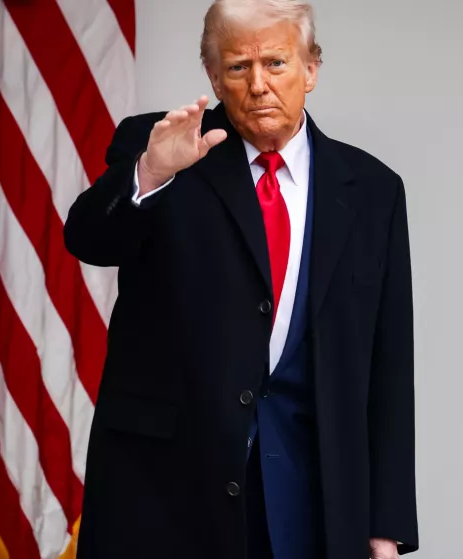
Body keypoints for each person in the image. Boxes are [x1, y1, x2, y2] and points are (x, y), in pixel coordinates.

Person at [63, 1, 418, 557]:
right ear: (213, 77)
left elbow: (389, 366)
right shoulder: (161, 146)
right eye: (237, 67)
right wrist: (151, 173)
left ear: (312, 69)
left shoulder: (373, 191)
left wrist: (384, 524)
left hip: (315, 498)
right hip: (165, 496)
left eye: (275, 63)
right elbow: (87, 240)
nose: (258, 85)